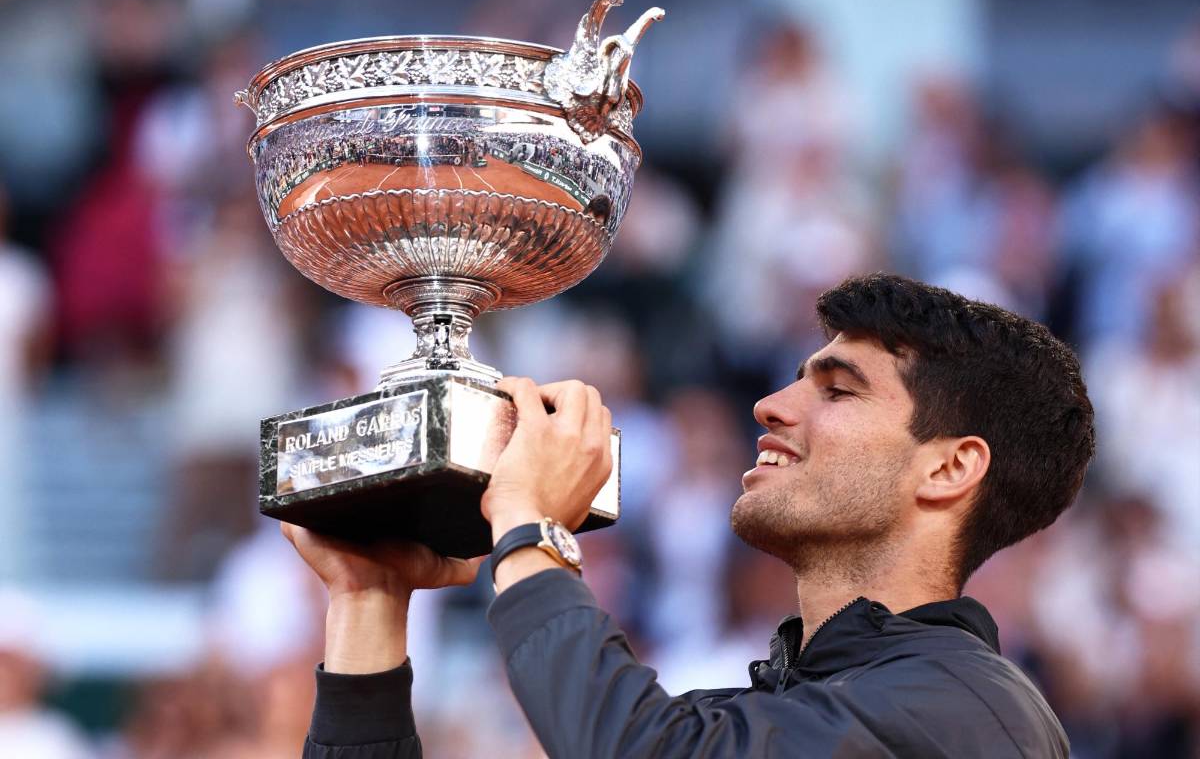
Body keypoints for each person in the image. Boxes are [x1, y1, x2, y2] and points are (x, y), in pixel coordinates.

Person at [285, 273, 1095, 758]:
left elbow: (638, 752)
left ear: (951, 467)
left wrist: (532, 529)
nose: (772, 406)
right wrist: (369, 607)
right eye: (796, 379)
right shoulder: (789, 708)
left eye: (838, 389)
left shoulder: (970, 711)